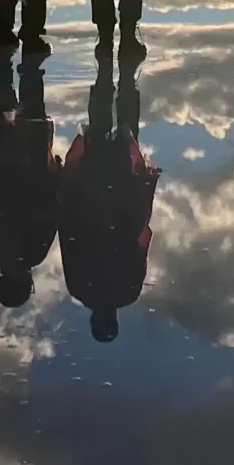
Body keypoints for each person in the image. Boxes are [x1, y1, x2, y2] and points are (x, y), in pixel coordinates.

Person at [58, 49, 159, 341]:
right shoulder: (78, 289)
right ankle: (105, 79)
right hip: (88, 197)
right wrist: (68, 193)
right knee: (99, 136)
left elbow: (141, 244)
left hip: (123, 201)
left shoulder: (129, 293)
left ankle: (123, 82)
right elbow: (67, 237)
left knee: (124, 137)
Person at [0, 52, 60, 309]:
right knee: (6, 116)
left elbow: (52, 210)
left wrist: (56, 174)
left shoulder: (33, 254)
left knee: (31, 115)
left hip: (30, 171)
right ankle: (1, 69)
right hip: (2, 171)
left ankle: (29, 67)